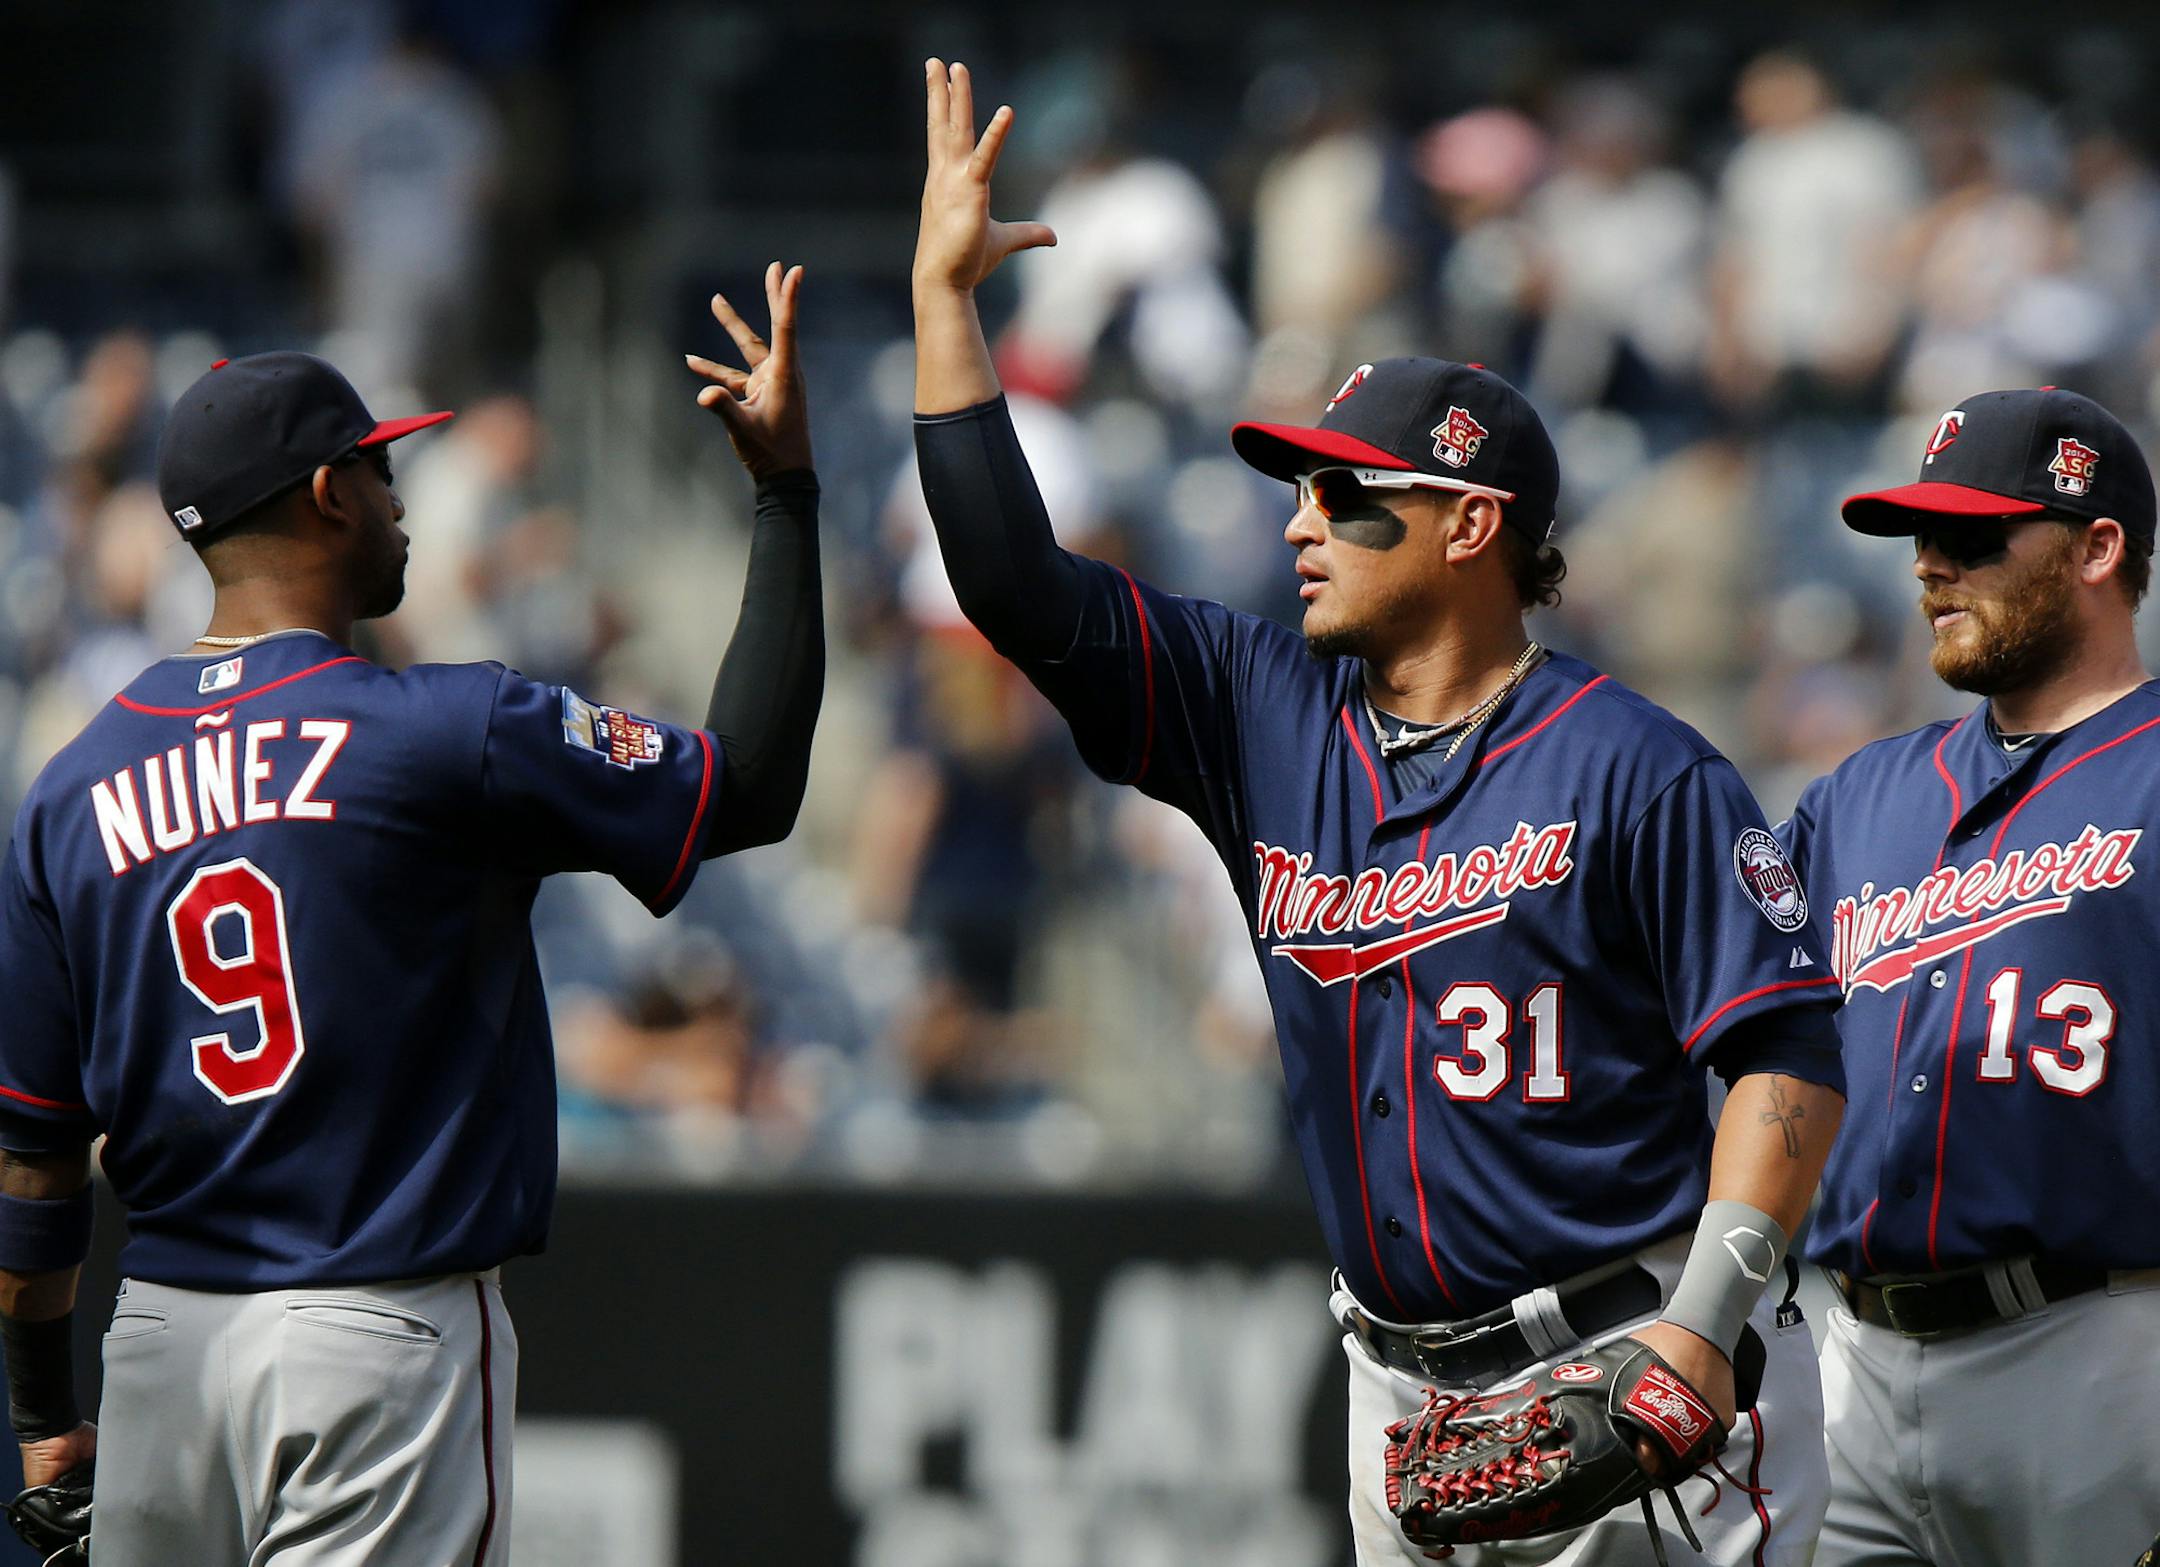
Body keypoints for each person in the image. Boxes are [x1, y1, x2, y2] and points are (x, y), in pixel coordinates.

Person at [912, 60, 1847, 1565]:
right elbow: (1014, 587)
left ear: (1473, 525)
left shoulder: (1637, 763)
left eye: (1349, 497)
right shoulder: (1255, 713)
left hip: (1628, 1357)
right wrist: (944, 309)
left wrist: (1708, 1321)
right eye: (1298, 489)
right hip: (1396, 1395)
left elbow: (1787, 1054)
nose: (1298, 521)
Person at [0, 262, 823, 1564]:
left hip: (158, 1344)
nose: (401, 503)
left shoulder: (71, 785)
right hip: (372, 1335)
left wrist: (46, 1417)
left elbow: (36, 1161)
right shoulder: (447, 726)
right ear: (329, 493)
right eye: (383, 474)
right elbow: (749, 785)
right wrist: (784, 493)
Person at [1779, 387, 2160, 1566]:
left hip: (2100, 1351)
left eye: (1976, 535)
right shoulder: (1858, 799)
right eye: (1920, 539)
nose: (1933, 565)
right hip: (1853, 1354)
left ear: (2099, 547)